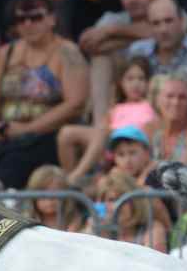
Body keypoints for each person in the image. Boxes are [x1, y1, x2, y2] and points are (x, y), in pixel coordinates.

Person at [0, 0, 90, 189]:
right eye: (21, 19)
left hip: (46, 135)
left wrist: (28, 128)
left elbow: (75, 104)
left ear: (52, 19)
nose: (28, 24)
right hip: (6, 134)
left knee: (14, 164)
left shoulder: (67, 52)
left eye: (36, 17)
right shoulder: (7, 53)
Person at [76, 0, 163, 125]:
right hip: (122, 86)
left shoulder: (167, 13)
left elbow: (165, 33)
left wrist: (113, 32)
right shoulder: (113, 18)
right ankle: (100, 126)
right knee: (101, 58)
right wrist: (138, 34)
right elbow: (87, 44)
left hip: (158, 82)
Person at [59, 53, 153, 182]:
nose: (136, 84)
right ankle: (70, 176)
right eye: (130, 79)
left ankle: (74, 177)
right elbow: (102, 130)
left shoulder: (150, 106)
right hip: (110, 148)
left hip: (133, 147)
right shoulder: (116, 108)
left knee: (103, 132)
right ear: (121, 82)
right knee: (66, 133)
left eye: (141, 79)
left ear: (149, 82)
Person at [88, 166, 168, 248]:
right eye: (111, 200)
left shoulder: (153, 229)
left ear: (135, 201)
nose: (118, 205)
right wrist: (101, 237)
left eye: (121, 198)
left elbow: (153, 260)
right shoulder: (100, 230)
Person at [143, 68, 187, 164]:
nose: (175, 102)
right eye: (169, 96)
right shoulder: (148, 128)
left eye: (182, 97)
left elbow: (186, 166)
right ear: (156, 99)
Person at [23, 162, 90, 229]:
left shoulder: (73, 218)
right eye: (43, 194)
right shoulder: (27, 220)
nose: (49, 199)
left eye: (55, 193)